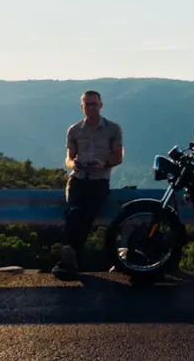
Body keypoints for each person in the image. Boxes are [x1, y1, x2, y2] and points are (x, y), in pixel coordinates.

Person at [52, 90, 124, 280]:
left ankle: (68, 260)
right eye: (87, 104)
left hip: (99, 180)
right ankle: (71, 260)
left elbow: (118, 157)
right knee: (76, 212)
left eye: (94, 104)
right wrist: (73, 163)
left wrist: (104, 163)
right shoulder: (74, 130)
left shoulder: (113, 129)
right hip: (77, 177)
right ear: (82, 106)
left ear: (101, 105)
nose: (90, 107)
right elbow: (68, 158)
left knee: (78, 213)